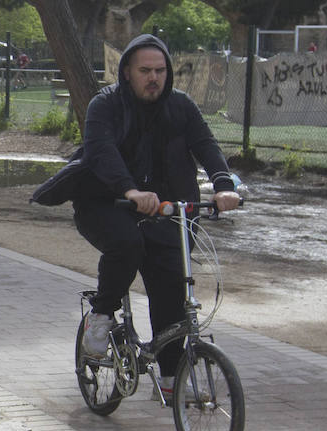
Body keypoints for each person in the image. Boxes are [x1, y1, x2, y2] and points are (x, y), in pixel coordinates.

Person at [75, 34, 240, 396]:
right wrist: (129, 190)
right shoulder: (105, 106)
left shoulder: (181, 106)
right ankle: (101, 317)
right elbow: (101, 152)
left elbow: (205, 145)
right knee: (128, 244)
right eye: (145, 70)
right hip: (106, 204)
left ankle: (169, 379)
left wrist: (224, 185)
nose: (154, 78)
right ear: (127, 73)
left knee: (171, 290)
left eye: (160, 70)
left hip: (167, 210)